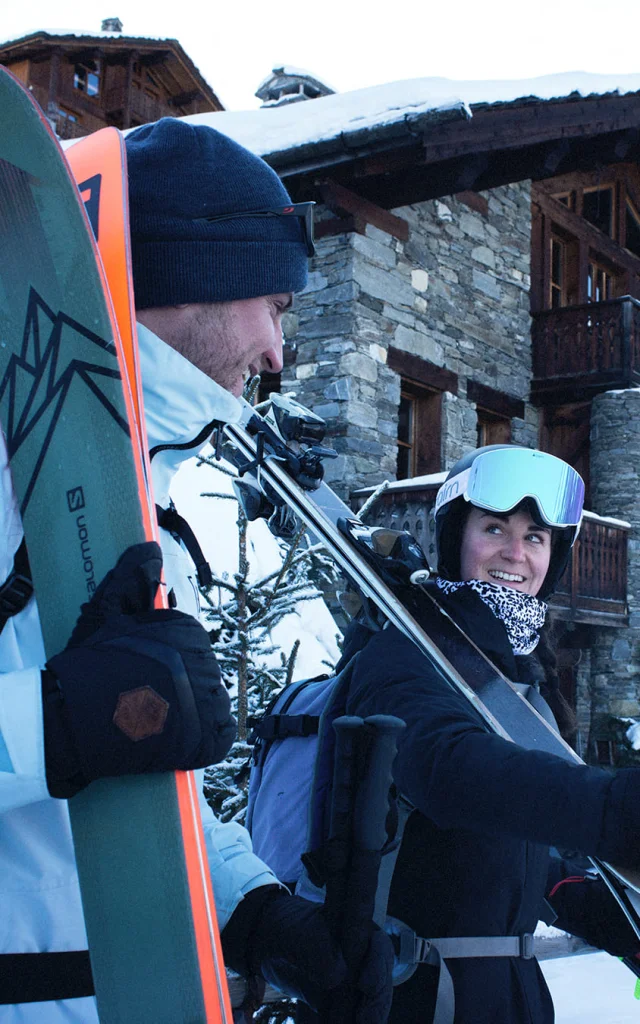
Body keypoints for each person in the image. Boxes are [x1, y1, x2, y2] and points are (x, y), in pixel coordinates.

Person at [0, 118, 392, 1021]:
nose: (278, 355)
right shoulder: (14, 465)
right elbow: (75, 734)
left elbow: (139, 791)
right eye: (277, 307)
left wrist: (256, 912)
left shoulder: (142, 497)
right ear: (198, 275)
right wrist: (53, 723)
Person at [338, 444, 640, 1023]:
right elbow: (445, 768)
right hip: (415, 997)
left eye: (535, 537)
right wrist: (617, 810)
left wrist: (604, 913)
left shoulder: (522, 680)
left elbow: (517, 862)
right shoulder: (400, 655)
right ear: (455, 540)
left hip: (512, 998)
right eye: (495, 528)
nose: (515, 553)